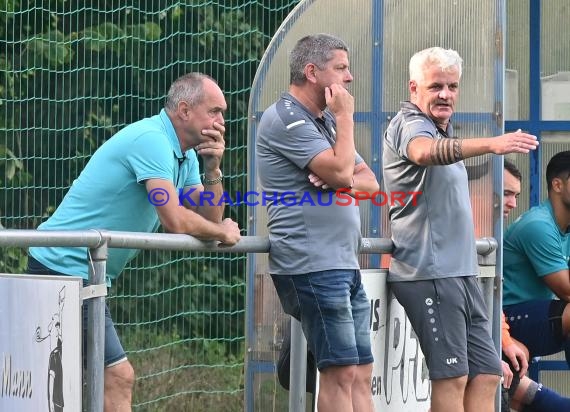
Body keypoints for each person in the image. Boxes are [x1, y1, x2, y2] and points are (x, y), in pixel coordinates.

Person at [26, 73, 241, 412]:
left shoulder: (182, 155)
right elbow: (176, 220)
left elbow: (209, 215)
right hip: (61, 269)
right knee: (116, 375)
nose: (221, 122)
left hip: (85, 273)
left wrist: (213, 168)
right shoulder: (153, 141)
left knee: (78, 380)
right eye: (215, 111)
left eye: (223, 114)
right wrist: (223, 233)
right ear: (184, 110)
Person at [381, 46, 539, 412]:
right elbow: (423, 152)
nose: (446, 94)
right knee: (452, 377)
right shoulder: (409, 123)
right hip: (429, 272)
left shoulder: (442, 127)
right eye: (436, 86)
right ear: (414, 88)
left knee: (487, 373)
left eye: (452, 86)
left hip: (463, 273)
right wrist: (492, 144)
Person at [256, 33, 379, 412]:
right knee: (339, 372)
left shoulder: (322, 122)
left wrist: (341, 176)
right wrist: (345, 118)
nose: (350, 78)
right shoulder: (287, 118)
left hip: (342, 262)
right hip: (312, 264)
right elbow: (344, 171)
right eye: (341, 68)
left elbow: (370, 183)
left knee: (360, 371)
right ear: (312, 72)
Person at [502, 150, 570, 409]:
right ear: (557, 185)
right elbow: (567, 291)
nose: (511, 202)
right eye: (506, 193)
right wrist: (504, 339)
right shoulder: (538, 225)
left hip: (537, 319)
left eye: (515, 195)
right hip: (507, 319)